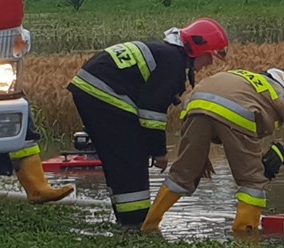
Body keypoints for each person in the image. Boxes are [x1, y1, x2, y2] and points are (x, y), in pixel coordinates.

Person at [145, 66, 284, 236]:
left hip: (193, 107)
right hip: (237, 114)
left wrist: (199, 155)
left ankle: (149, 227)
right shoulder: (277, 91)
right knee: (252, 183)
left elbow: (206, 109)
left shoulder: (241, 77)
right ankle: (245, 235)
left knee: (181, 175)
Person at [68, 17, 229, 226]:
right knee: (131, 156)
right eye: (209, 56)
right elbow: (152, 113)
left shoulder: (167, 56)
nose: (209, 63)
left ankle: (127, 217)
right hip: (105, 95)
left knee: (119, 159)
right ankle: (135, 222)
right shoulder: (172, 64)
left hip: (95, 91)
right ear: (197, 50)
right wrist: (159, 152)